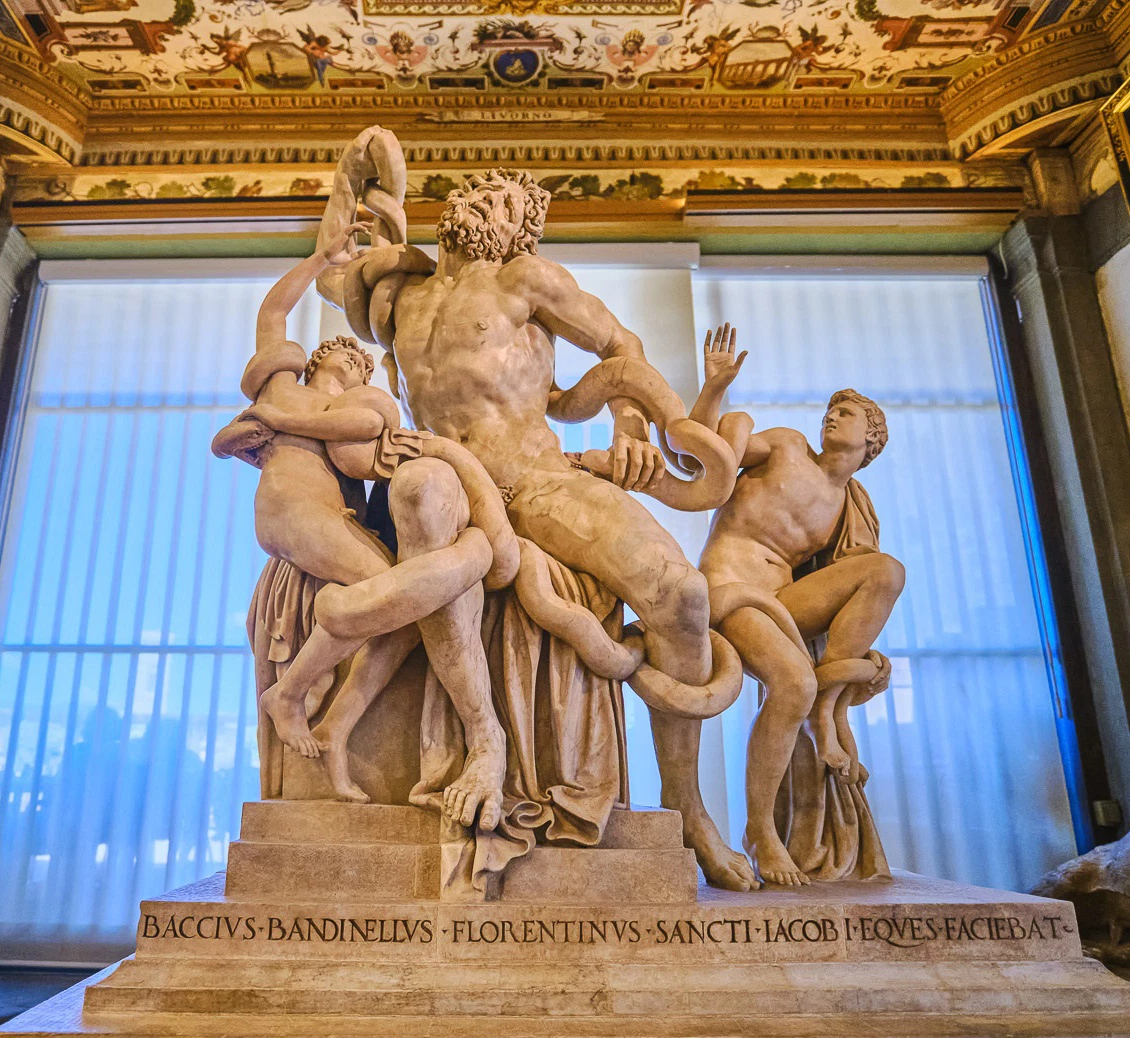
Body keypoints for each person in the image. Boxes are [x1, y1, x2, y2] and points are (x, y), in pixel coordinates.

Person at [313, 129, 758, 891]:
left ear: (521, 230)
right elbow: (331, 266)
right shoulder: (398, 295)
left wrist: (628, 427)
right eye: (483, 192)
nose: (491, 203)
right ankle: (483, 739)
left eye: (509, 203)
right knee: (419, 491)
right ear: (455, 206)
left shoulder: (526, 278)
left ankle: (688, 810)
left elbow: (620, 344)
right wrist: (353, 172)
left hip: (537, 480)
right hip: (450, 482)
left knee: (682, 594)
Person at [213, 223, 513, 815]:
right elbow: (273, 314)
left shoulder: (311, 411)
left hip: (332, 518)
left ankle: (336, 728)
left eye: (364, 366)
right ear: (322, 358)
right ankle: (289, 693)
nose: (358, 363)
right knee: (390, 596)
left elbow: (364, 435)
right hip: (293, 514)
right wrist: (319, 259)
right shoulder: (282, 386)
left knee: (404, 612)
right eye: (350, 356)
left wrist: (283, 425)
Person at [695, 333, 904, 885]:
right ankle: (760, 830)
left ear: (871, 439)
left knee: (886, 570)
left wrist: (860, 660)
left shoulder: (849, 506)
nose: (832, 416)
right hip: (729, 588)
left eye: (847, 413)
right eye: (832, 410)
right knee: (792, 683)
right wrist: (714, 388)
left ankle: (827, 706)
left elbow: (855, 594)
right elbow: (705, 454)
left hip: (785, 604)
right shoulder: (787, 446)